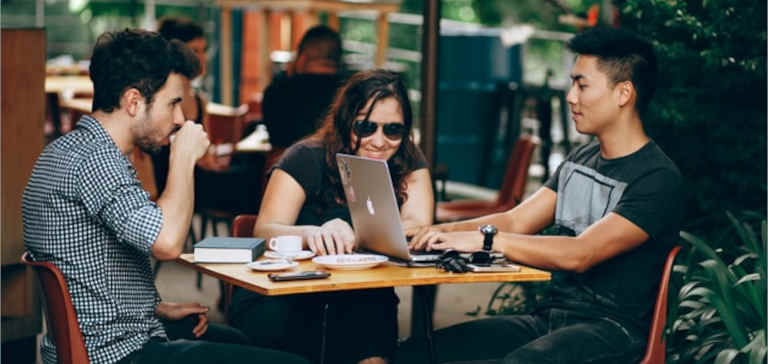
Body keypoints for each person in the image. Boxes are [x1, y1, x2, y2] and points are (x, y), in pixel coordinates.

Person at [22, 29, 310, 364]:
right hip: (115, 354)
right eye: (173, 103)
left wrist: (154, 309)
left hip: (102, 339)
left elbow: (85, 266)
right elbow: (168, 243)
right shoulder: (97, 160)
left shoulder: (69, 150)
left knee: (236, 339)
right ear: (133, 102)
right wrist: (184, 157)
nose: (181, 118)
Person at [399, 27, 684, 364]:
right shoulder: (581, 159)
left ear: (624, 93)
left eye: (582, 84)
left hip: (613, 330)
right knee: (418, 353)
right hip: (549, 319)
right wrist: (437, 233)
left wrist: (485, 241)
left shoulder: (656, 178)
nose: (570, 96)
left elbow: (581, 253)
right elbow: (516, 219)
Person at [227, 69, 434, 364]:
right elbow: (263, 230)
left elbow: (417, 224)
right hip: (289, 292)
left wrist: (359, 234)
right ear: (345, 121)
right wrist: (313, 233)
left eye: (393, 130)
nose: (379, 141)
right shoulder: (306, 156)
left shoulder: (407, 159)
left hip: (363, 293)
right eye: (365, 127)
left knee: (370, 305)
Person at [261, 24, 346, 150]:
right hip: (334, 167)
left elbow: (275, 139)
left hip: (283, 166)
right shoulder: (350, 94)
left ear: (303, 57)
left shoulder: (276, 92)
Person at [152, 17, 209, 193]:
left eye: (203, 50)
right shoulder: (156, 99)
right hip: (159, 183)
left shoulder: (200, 102)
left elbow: (205, 155)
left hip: (193, 183)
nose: (202, 58)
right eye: (194, 50)